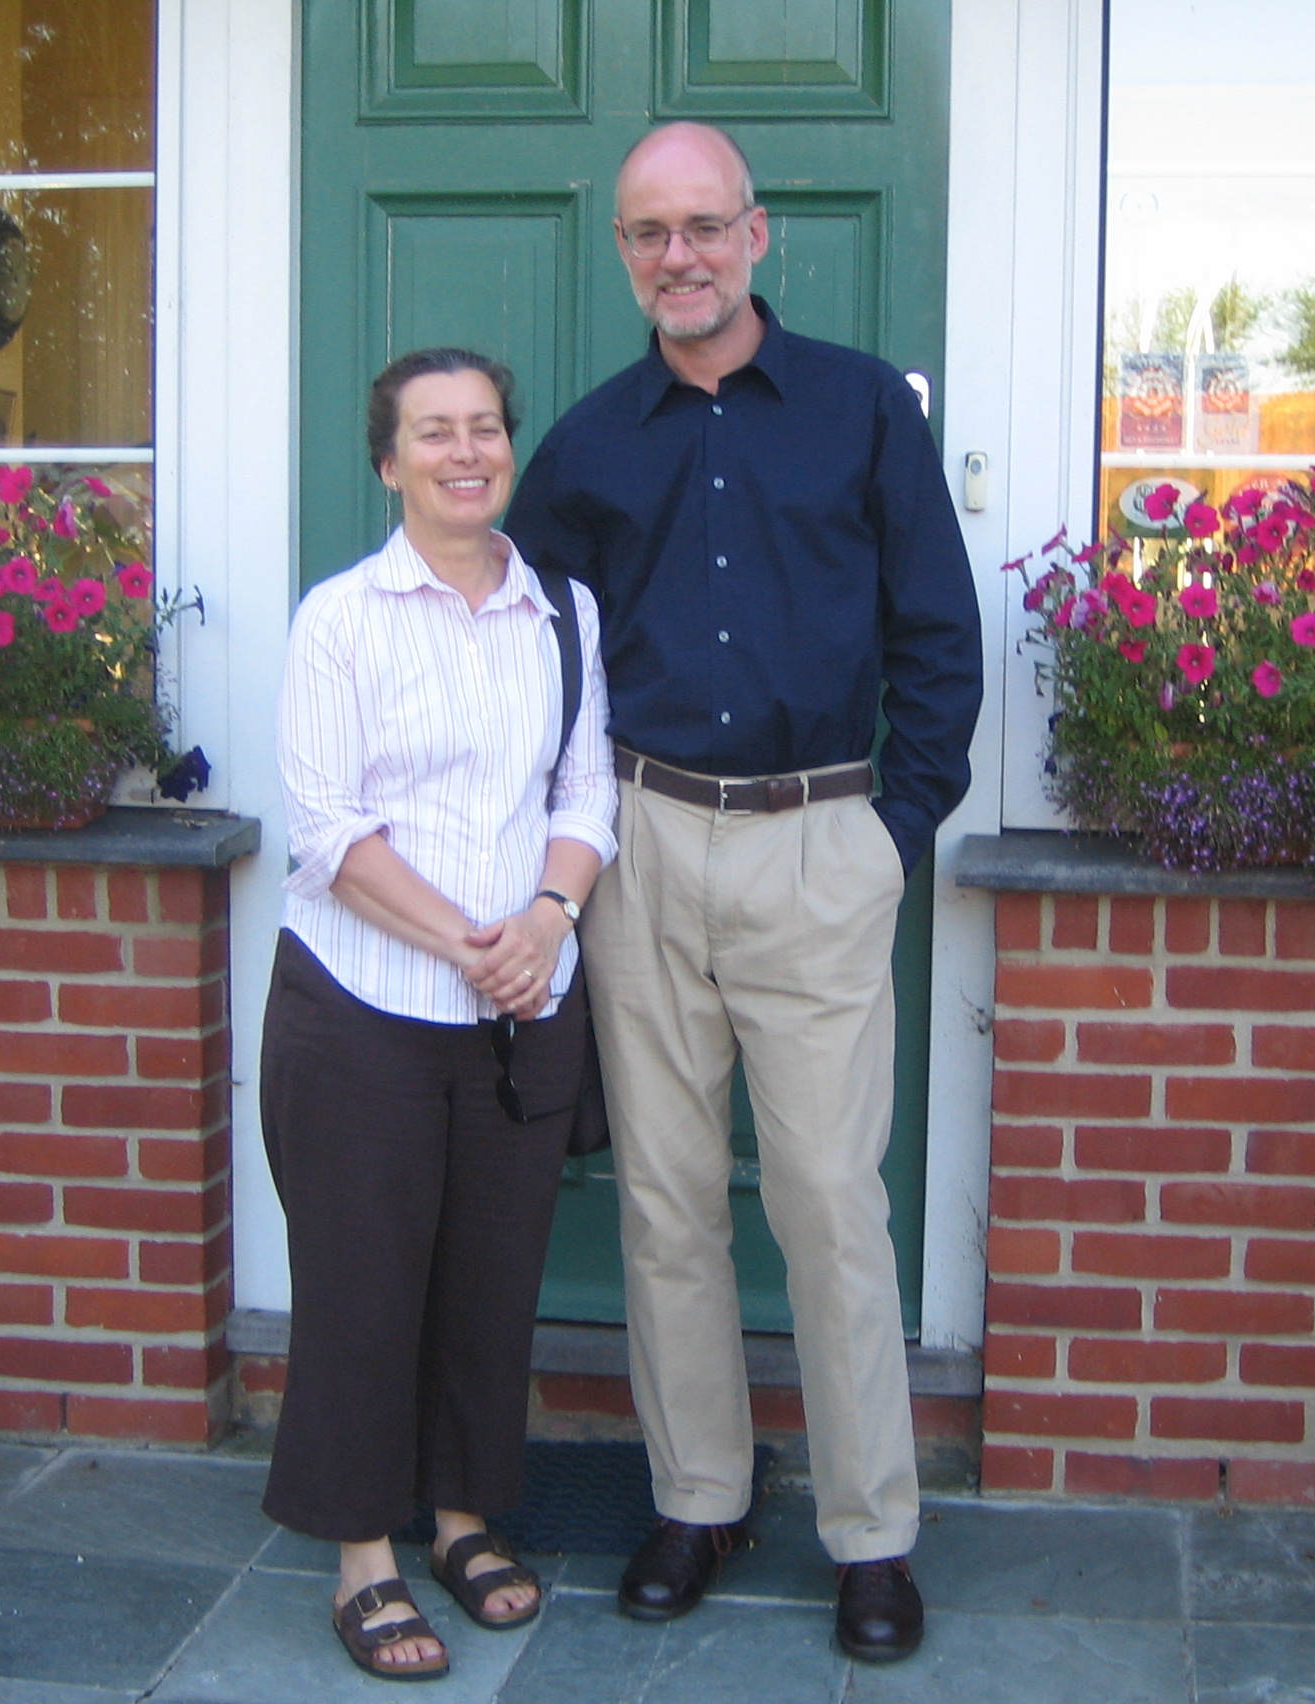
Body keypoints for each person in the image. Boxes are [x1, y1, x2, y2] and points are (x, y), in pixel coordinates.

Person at [504, 122, 982, 1662]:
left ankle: (872, 1532)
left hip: (816, 840)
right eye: (651, 232)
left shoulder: (862, 409)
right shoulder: (588, 446)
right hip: (642, 846)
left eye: (705, 226)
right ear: (624, 251)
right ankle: (698, 1497)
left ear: (757, 235)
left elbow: (938, 637)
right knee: (664, 1200)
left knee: (832, 1202)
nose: (681, 257)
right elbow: (532, 660)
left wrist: (892, 831)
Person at [261, 347, 616, 1682]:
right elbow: (327, 831)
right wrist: (476, 945)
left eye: (484, 429)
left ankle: (465, 1520)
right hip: (362, 1009)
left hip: (524, 1011)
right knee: (361, 1288)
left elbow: (586, 794)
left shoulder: (564, 613)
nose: (465, 452)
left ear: (509, 449)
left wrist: (549, 921)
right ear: (388, 462)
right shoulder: (340, 620)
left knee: (489, 1280)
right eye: (433, 432)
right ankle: (365, 1556)